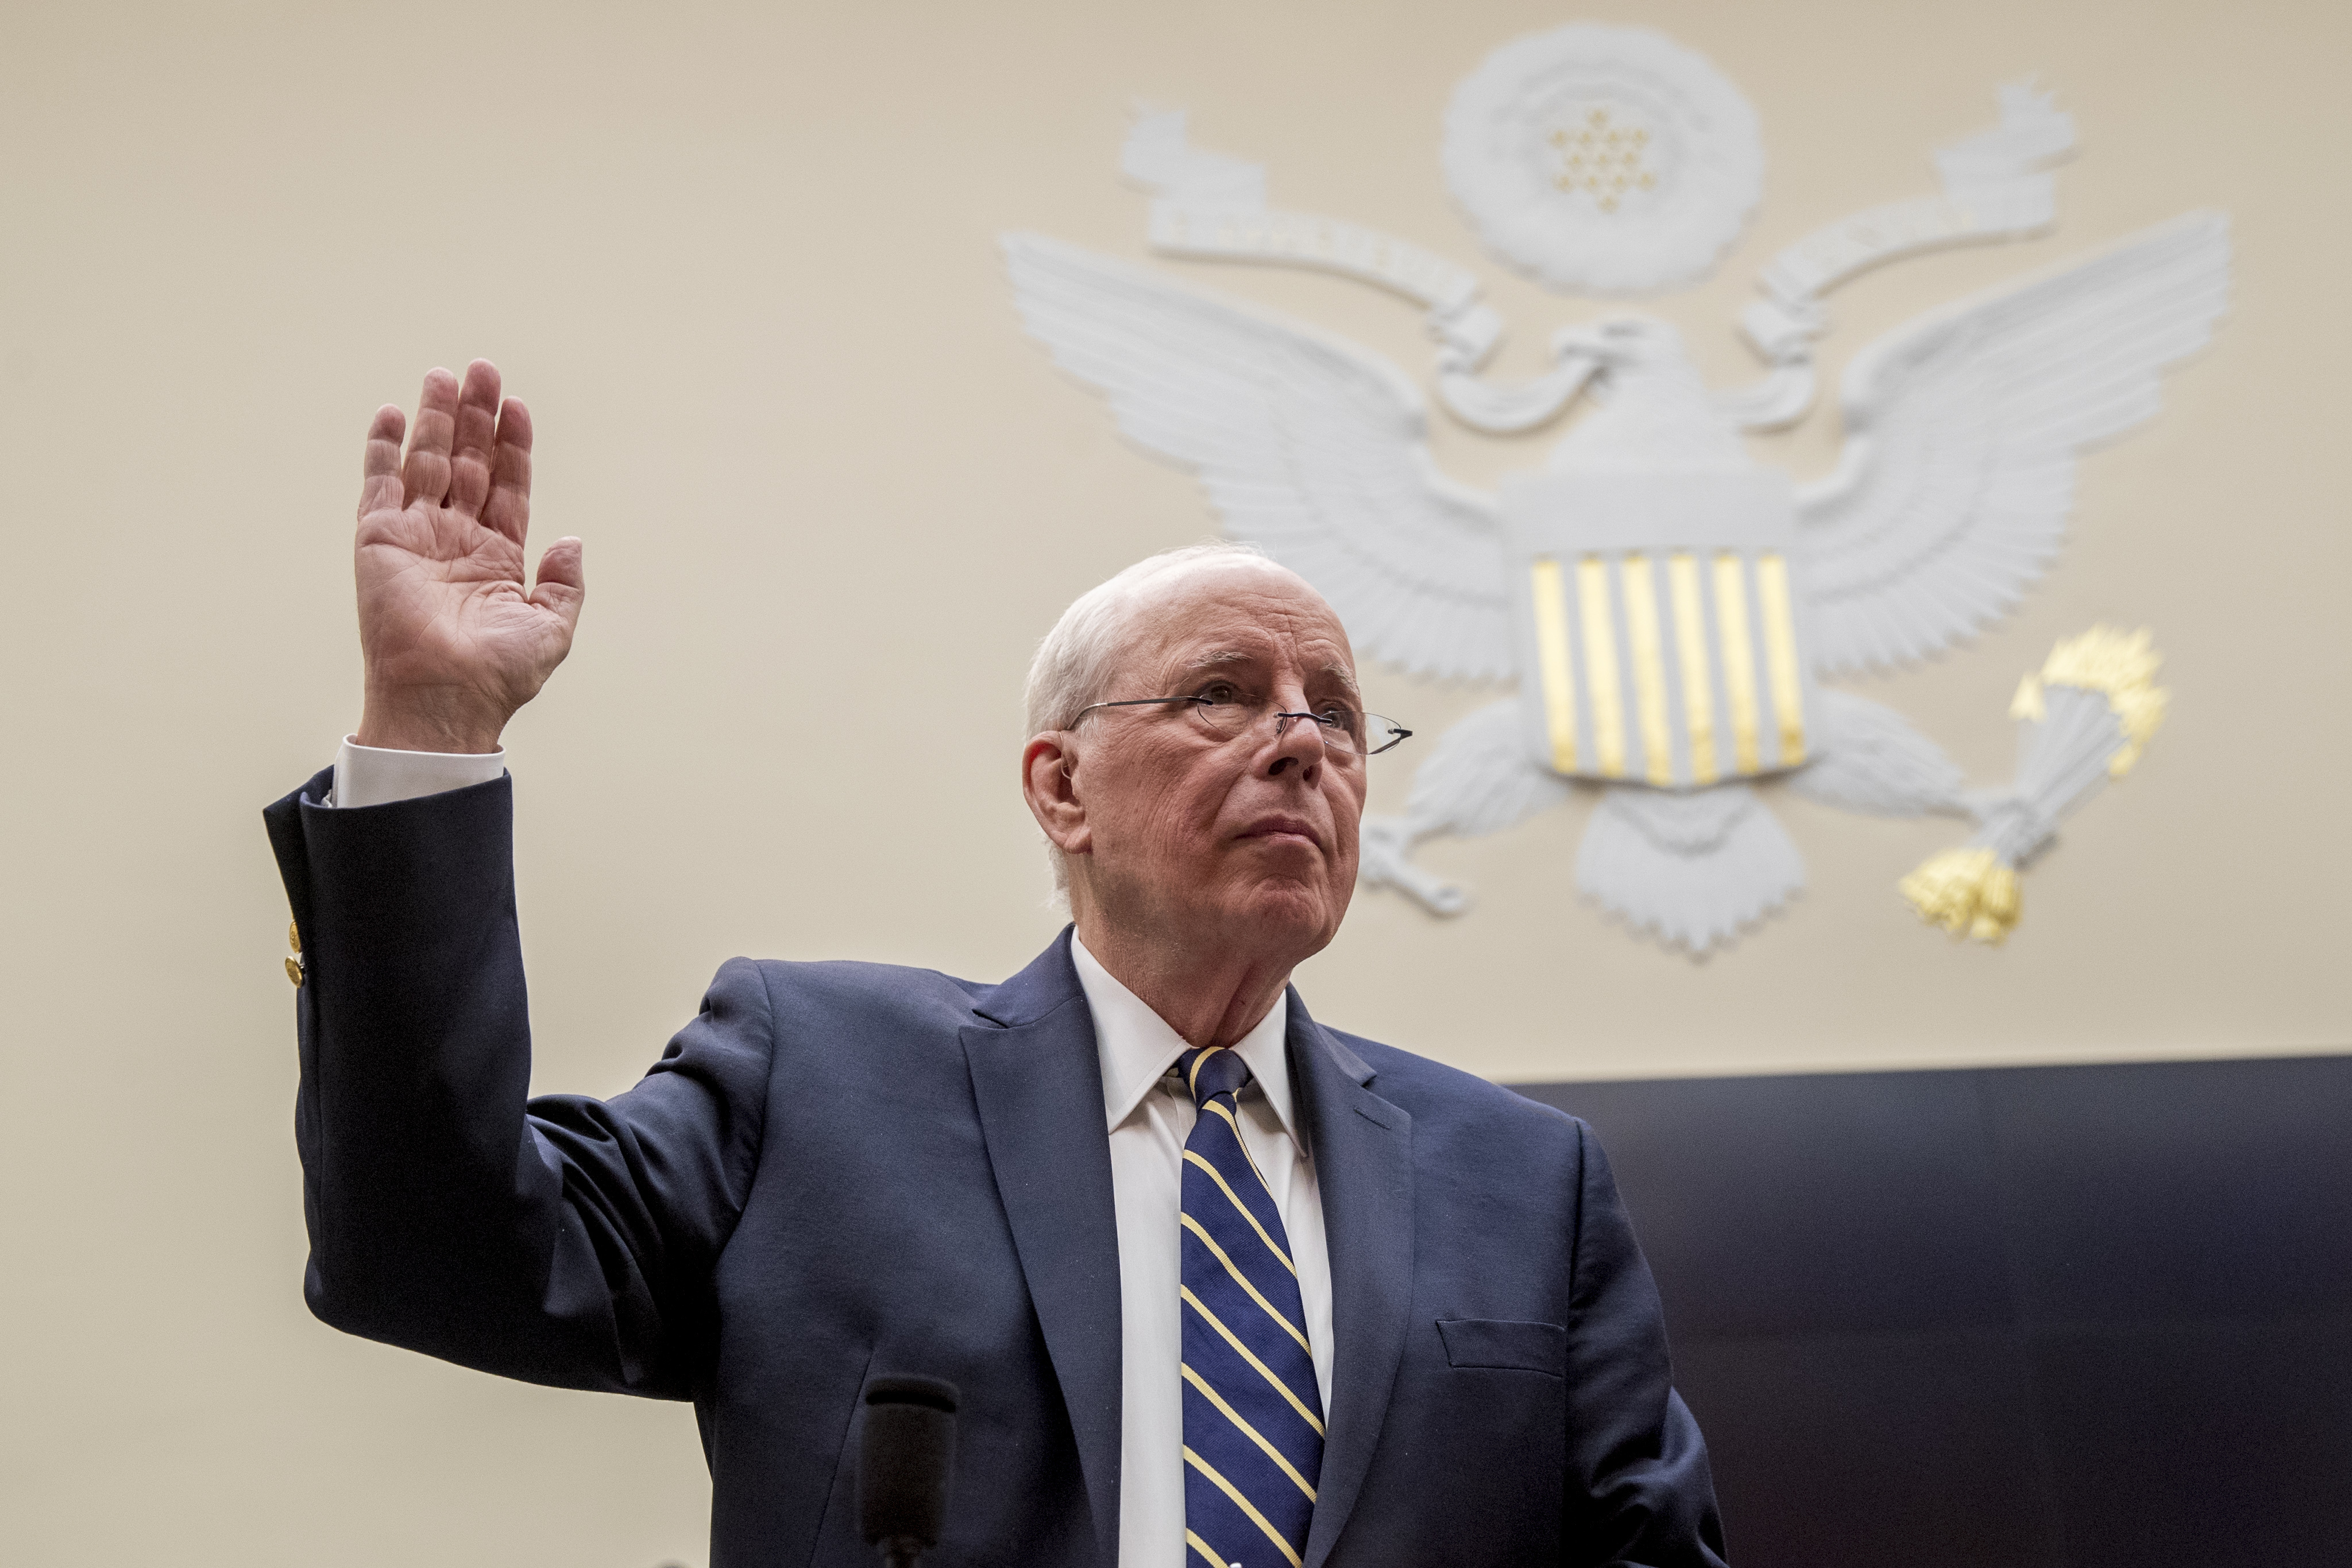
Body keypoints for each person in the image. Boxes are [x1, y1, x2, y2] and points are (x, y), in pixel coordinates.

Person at [264, 361, 1727, 1568]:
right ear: (1060, 789)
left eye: (1336, 715)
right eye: (1224, 694)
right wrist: (431, 734)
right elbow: (423, 1251)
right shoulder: (815, 1077)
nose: (1302, 742)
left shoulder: (1526, 1183)